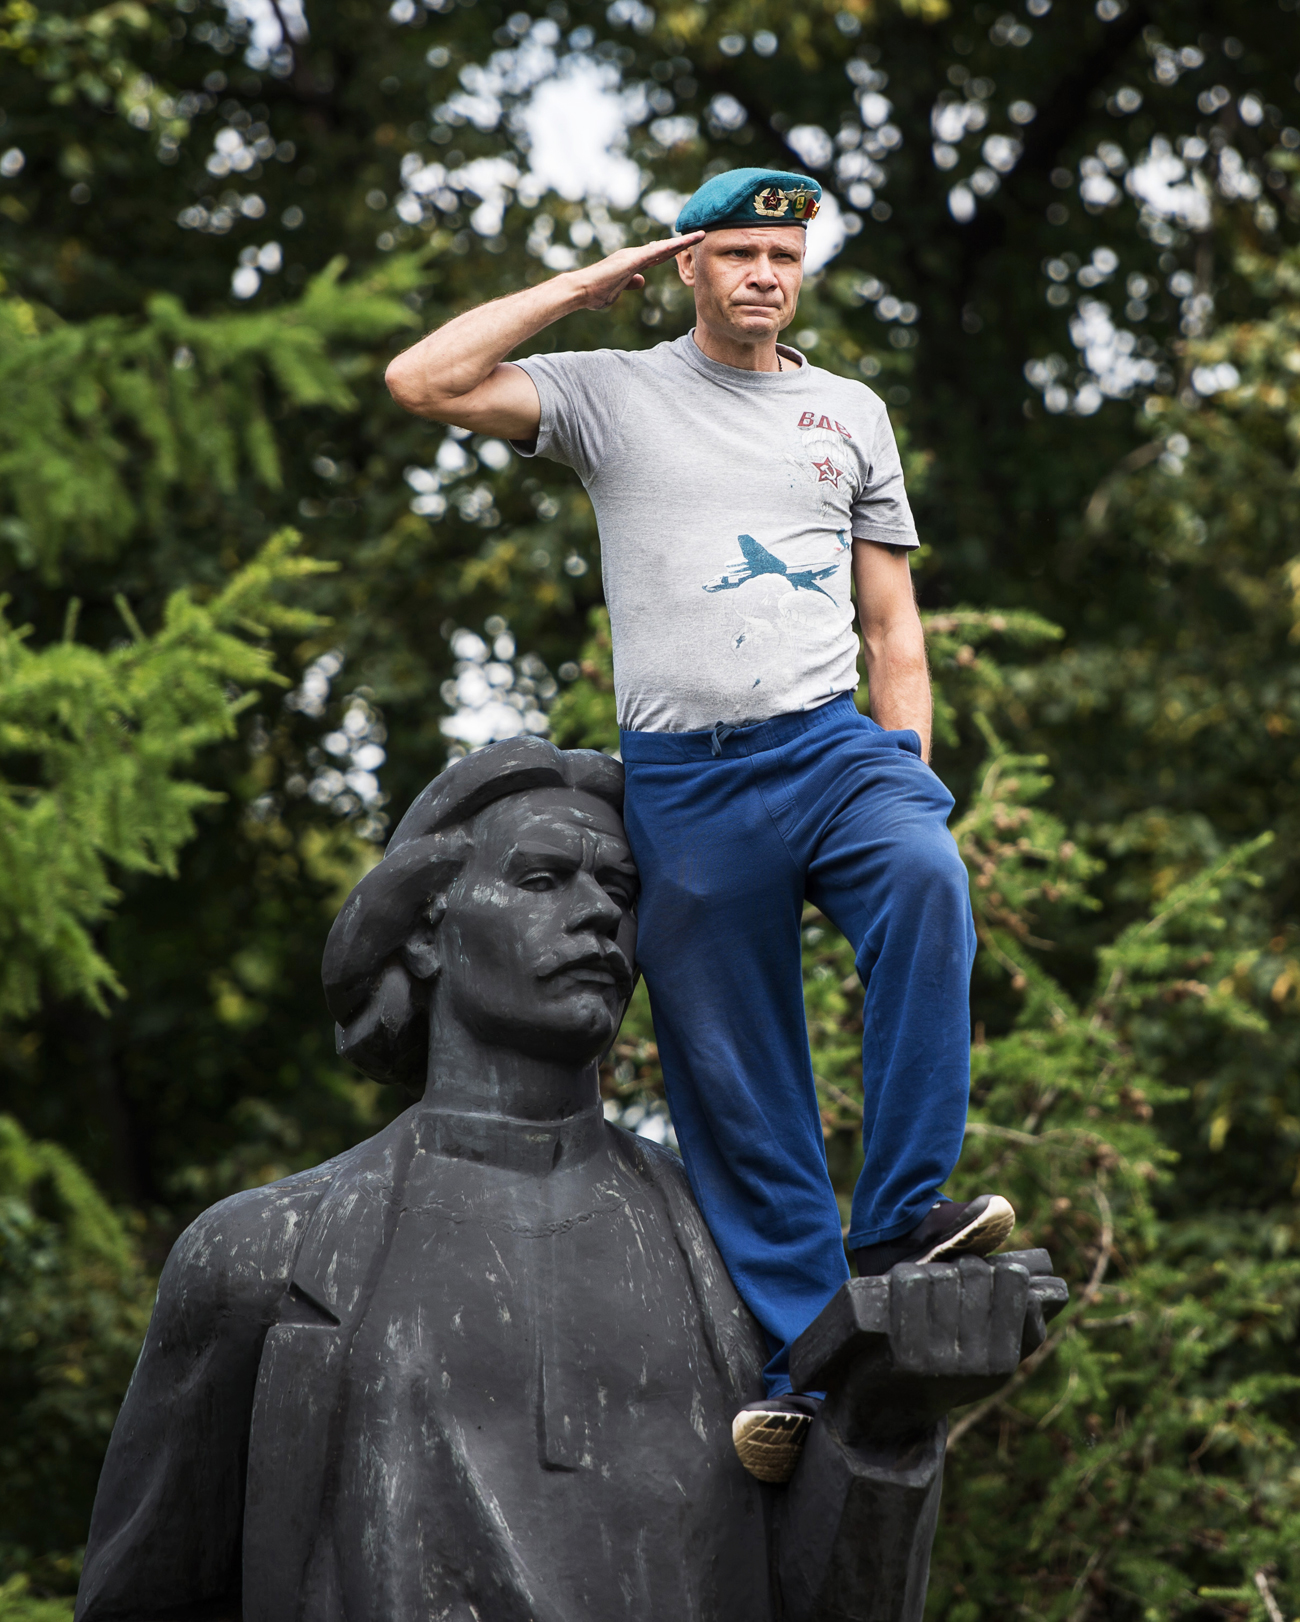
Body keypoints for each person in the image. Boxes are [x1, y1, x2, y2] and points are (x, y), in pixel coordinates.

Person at [74, 739, 1064, 1622]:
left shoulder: (737, 1252)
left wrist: (884, 1421)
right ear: (424, 927)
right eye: (544, 875)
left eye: (622, 891)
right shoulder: (263, 1256)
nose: (597, 911)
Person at [384, 166, 1014, 1481]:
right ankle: (804, 1369)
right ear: (689, 266)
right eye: (737, 255)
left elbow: (894, 624)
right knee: (735, 1080)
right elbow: (423, 380)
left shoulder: (847, 414)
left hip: (832, 746)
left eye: (784, 256)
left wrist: (902, 774)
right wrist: (587, 284)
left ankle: (903, 1227)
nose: (765, 279)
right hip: (686, 779)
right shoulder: (612, 392)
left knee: (924, 878)